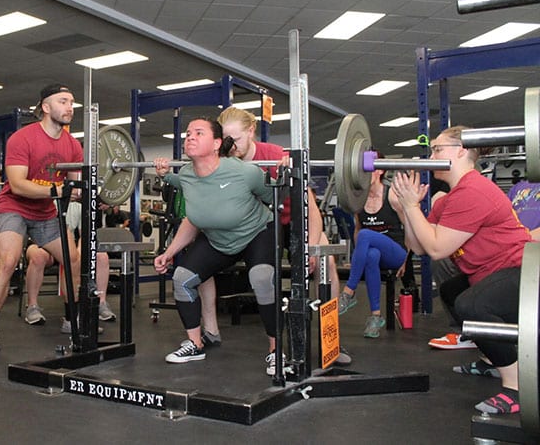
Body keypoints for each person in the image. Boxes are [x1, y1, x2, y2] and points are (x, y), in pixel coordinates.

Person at [391, 126, 531, 414]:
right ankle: (493, 361)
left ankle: (516, 389)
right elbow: (417, 245)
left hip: (524, 273)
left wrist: (411, 206)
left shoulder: (474, 191)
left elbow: (438, 248)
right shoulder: (454, 196)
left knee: (472, 304)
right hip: (494, 273)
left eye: (437, 150)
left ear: (462, 151)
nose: (432, 156)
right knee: (452, 291)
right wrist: (404, 210)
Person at [212, 107, 352, 364]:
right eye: (227, 140)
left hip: (294, 219)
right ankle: (218, 336)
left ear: (252, 131)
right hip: (259, 227)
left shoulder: (275, 156)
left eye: (237, 139)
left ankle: (330, 339)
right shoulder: (224, 163)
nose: (232, 146)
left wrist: (310, 245)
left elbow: (310, 208)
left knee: (327, 263)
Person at [153, 118, 279, 375]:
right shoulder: (187, 176)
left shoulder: (244, 172)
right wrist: (168, 253)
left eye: (199, 133)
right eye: (188, 133)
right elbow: (193, 218)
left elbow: (275, 198)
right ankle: (195, 344)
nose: (190, 137)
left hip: (256, 234)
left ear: (217, 144)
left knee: (261, 278)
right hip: (219, 241)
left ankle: (276, 351)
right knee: (182, 277)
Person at [0, 83, 83, 352]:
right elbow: (16, 184)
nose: (69, 107)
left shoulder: (73, 145)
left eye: (71, 102)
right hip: (14, 207)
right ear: (46, 107)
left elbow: (75, 185)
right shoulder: (22, 138)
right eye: (63, 101)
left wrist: (85, 191)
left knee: (72, 259)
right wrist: (56, 190)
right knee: (9, 260)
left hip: (45, 212)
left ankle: (72, 319)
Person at [428, 179, 540, 350]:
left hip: (529, 255)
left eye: (438, 149)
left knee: (472, 304)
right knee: (450, 286)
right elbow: (506, 215)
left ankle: (507, 358)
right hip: (506, 248)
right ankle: (475, 337)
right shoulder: (521, 186)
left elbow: (513, 229)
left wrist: (518, 237)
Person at [335, 165, 412, 338]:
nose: (361, 175)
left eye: (366, 171)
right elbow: (356, 232)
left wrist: (406, 259)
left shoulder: (391, 196)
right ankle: (375, 316)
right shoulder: (359, 202)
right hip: (376, 253)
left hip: (397, 252)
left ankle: (348, 291)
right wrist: (357, 260)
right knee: (371, 255)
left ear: (379, 172)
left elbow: (410, 227)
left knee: (365, 234)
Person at [22, 199, 116, 327]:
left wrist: (78, 252)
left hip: (71, 244)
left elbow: (85, 234)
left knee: (101, 257)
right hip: (44, 242)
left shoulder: (82, 202)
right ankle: (32, 306)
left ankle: (101, 303)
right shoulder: (48, 196)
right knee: (38, 257)